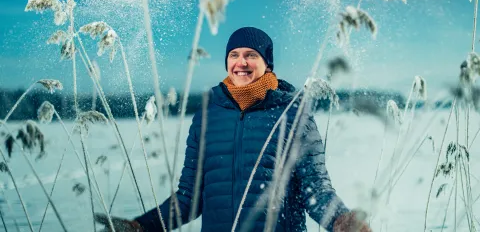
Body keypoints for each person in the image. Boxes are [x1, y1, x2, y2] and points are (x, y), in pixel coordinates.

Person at [95, 27, 372, 232]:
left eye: (251, 55)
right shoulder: (207, 114)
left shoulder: (294, 115)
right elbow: (189, 199)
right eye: (234, 54)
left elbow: (316, 190)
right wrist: (140, 227)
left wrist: (341, 220)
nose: (241, 62)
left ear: (267, 64)